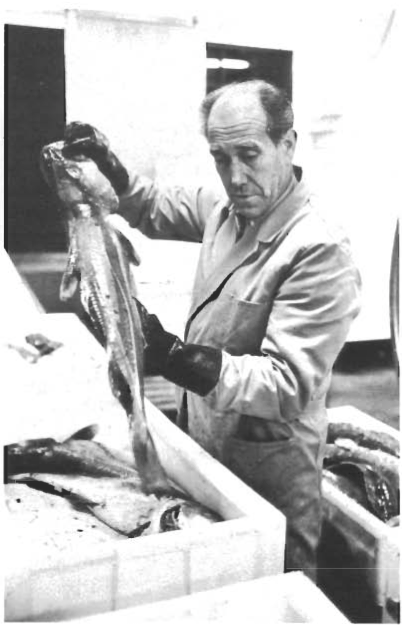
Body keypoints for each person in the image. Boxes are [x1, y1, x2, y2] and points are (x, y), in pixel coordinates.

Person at [63, 80, 361, 581]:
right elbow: (151, 204)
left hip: (270, 465)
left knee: (275, 582)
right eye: (221, 158)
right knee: (215, 577)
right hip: (204, 440)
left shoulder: (319, 247)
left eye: (249, 154)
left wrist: (170, 356)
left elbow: (287, 384)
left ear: (287, 144)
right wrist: (113, 172)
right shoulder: (226, 210)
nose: (235, 177)